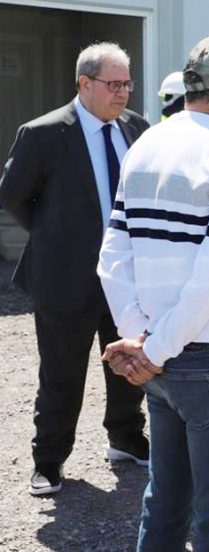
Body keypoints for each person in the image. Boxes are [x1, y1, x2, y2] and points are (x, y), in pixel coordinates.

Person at [97, 35, 209, 552]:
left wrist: (140, 337)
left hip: (159, 352)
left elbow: (114, 253)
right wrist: (152, 349)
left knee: (166, 500)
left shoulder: (147, 144)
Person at [0, 42, 149, 497]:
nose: (123, 92)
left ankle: (125, 438)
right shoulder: (43, 133)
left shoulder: (137, 129)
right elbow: (12, 196)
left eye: (127, 83)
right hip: (64, 277)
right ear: (84, 84)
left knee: (129, 362)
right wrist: (55, 234)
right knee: (62, 374)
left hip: (125, 277)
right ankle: (48, 460)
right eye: (113, 84)